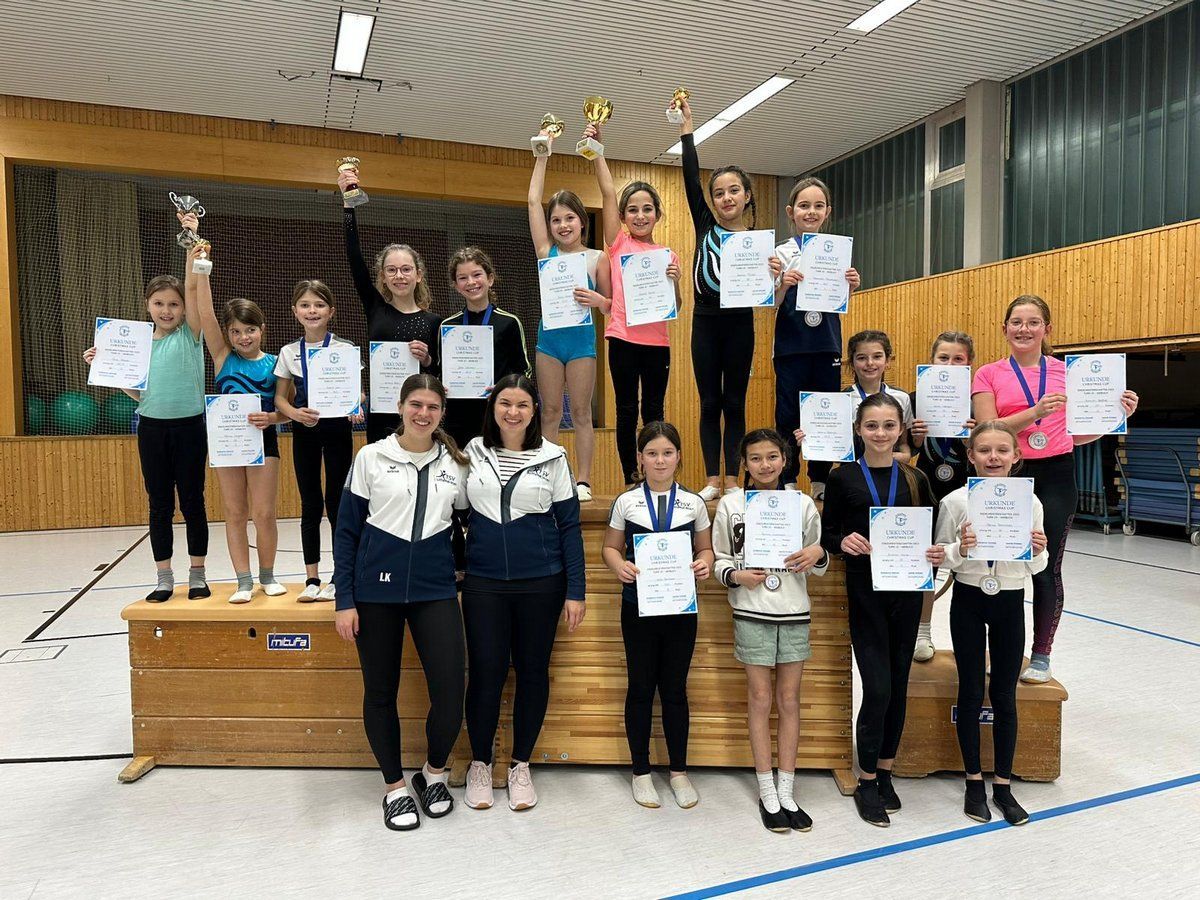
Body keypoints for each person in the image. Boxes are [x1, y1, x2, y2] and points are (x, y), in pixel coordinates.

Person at [972, 295, 1138, 683]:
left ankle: (1041, 655)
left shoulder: (1068, 372)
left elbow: (1075, 435)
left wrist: (1115, 416)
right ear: (1004, 329)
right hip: (1006, 474)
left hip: (1057, 474)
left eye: (1033, 322)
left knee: (1046, 566)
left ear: (1047, 329)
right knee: (999, 564)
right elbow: (986, 430)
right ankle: (1002, 650)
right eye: (1016, 322)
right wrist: (1036, 412)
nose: (1024, 329)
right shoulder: (989, 374)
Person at [332, 373, 469, 832]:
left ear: (442, 413)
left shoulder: (456, 465)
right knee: (380, 692)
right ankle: (394, 787)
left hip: (435, 590)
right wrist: (344, 599)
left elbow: (467, 527)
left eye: (432, 406)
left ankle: (433, 773)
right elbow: (347, 531)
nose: (423, 413)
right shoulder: (371, 457)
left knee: (450, 693)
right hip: (375, 593)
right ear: (400, 406)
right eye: (416, 404)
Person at [461, 373, 586, 812]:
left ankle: (520, 765)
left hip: (541, 583)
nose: (512, 412)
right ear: (493, 406)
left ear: (535, 412)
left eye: (522, 405)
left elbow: (569, 528)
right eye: (505, 403)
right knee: (486, 673)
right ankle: (480, 764)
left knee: (533, 672)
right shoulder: (471, 452)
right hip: (484, 582)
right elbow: (453, 515)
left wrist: (576, 590)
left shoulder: (554, 457)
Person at [821, 393, 944, 827]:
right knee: (877, 688)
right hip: (866, 594)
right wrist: (842, 541)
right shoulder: (843, 477)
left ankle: (886, 771)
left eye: (889, 425)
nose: (880, 433)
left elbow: (933, 533)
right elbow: (828, 533)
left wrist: (935, 553)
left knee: (898, 686)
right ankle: (866, 779)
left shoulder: (915, 477)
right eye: (871, 425)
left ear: (901, 429)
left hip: (906, 594)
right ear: (858, 429)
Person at [82, 216, 209, 602]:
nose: (166, 310)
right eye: (159, 304)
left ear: (183, 309)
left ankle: (198, 575)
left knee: (193, 501)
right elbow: (140, 395)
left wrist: (191, 240)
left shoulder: (191, 334)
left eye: (174, 304)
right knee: (159, 504)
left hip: (190, 427)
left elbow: (192, 285)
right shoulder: (138, 343)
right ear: (148, 306)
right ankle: (164, 577)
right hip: (151, 428)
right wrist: (105, 366)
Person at [712, 429, 827, 832]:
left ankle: (788, 789)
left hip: (794, 611)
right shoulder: (731, 504)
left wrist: (818, 552)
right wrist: (736, 575)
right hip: (751, 611)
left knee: (789, 700)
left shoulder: (803, 504)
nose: (765, 465)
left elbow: (820, 562)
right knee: (760, 699)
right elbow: (719, 558)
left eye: (772, 457)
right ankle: (767, 791)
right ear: (744, 464)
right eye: (756, 458)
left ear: (785, 460)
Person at [935, 421, 1048, 826]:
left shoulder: (1030, 502)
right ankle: (972, 781)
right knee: (969, 689)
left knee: (1003, 693)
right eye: (984, 450)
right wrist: (960, 549)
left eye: (1002, 450)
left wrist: (1038, 549)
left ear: (1017, 456)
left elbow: (1038, 566)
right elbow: (941, 556)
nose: (994, 457)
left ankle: (1003, 784)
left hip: (1010, 599)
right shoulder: (954, 501)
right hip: (968, 598)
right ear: (971, 456)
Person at [602, 422, 713, 809]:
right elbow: (610, 548)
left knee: (675, 690)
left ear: (679, 456)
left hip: (680, 608)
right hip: (638, 606)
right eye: (652, 453)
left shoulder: (694, 503)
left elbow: (706, 549)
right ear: (640, 459)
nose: (660, 460)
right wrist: (618, 565)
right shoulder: (626, 502)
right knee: (640, 688)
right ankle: (641, 772)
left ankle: (679, 772)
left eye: (667, 453)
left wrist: (704, 563)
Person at [187, 232, 287, 604]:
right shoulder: (222, 357)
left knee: (263, 513)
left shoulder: (277, 362)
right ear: (227, 334)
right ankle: (243, 581)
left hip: (264, 443)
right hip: (227, 445)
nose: (244, 337)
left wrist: (272, 418)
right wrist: (202, 268)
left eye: (250, 330)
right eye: (236, 332)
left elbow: (287, 410)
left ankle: (268, 576)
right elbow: (205, 313)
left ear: (262, 329)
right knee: (234, 512)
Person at [589, 121, 683, 486]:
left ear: (657, 213)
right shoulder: (618, 245)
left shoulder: (667, 254)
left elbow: (674, 306)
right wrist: (599, 152)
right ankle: (631, 478)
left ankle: (657, 475)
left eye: (647, 209)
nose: (640, 216)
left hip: (657, 342)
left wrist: (675, 282)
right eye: (632, 210)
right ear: (623, 216)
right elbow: (607, 192)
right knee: (626, 410)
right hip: (623, 339)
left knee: (655, 412)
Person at [676, 95, 759, 500]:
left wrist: (771, 273)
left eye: (734, 191)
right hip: (705, 321)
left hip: (740, 323)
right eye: (720, 193)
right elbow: (691, 178)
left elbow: (769, 292)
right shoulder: (706, 225)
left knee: (735, 402)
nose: (726, 198)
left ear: (747, 196)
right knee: (710, 402)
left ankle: (733, 480)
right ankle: (712, 478)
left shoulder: (758, 242)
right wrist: (687, 130)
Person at [527, 131, 610, 501]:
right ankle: (548, 477)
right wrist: (542, 155)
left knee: (580, 412)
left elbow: (612, 306)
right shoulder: (546, 253)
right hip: (549, 342)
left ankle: (583, 481)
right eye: (556, 219)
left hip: (581, 345)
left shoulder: (596, 258)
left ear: (582, 221)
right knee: (548, 412)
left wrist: (598, 299)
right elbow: (533, 201)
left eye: (570, 218)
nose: (563, 225)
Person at [273, 280, 364, 602]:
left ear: (331, 312)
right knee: (310, 504)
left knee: (338, 503)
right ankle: (312, 578)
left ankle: (340, 576)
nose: (312, 311)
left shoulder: (344, 349)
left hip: (338, 431)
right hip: (305, 432)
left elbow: (358, 393)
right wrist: (295, 414)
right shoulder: (288, 352)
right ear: (295, 311)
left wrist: (356, 406)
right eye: (305, 305)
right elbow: (279, 399)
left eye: (319, 305)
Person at [771, 177, 861, 498]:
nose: (811, 211)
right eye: (804, 205)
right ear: (791, 211)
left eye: (818, 206)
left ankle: (820, 480)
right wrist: (784, 283)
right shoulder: (781, 253)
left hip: (826, 344)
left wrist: (851, 285)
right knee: (788, 415)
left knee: (825, 412)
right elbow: (771, 303)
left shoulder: (835, 251)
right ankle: (788, 479)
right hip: (791, 346)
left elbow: (838, 300)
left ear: (827, 212)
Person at [337, 162, 439, 443]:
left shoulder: (435, 322)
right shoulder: (375, 308)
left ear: (418, 275)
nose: (399, 276)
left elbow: (441, 375)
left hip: (419, 416)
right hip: (381, 412)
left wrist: (427, 359)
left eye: (406, 269)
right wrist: (348, 206)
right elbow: (354, 257)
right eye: (391, 270)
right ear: (382, 276)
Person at [909, 331, 977, 660]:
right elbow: (903, 451)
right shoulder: (915, 398)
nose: (950, 365)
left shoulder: (977, 402)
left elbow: (989, 452)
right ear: (932, 361)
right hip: (926, 487)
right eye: (943, 358)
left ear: (969, 364)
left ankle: (974, 634)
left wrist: (971, 439)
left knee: (971, 560)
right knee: (927, 560)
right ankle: (922, 631)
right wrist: (916, 440)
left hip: (965, 490)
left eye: (958, 359)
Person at [438, 247, 531, 450]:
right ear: (455, 285)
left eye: (477, 275)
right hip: (458, 416)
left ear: (490, 279)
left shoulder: (509, 322)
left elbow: (523, 371)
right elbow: (439, 371)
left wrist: (502, 390)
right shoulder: (448, 327)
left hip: (498, 416)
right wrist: (440, 387)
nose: (471, 282)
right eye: (463, 278)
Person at [843, 329, 913, 462]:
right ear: (852, 363)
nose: (870, 363)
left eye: (877, 356)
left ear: (887, 361)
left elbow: (903, 444)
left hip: (890, 469)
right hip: (852, 470)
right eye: (862, 358)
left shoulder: (902, 398)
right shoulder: (841, 400)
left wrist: (905, 455)